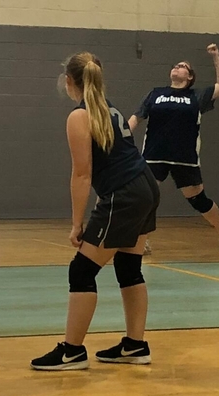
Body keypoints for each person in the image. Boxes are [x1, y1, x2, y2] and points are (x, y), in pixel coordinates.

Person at [30, 52, 160, 371]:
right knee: (129, 267)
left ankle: (72, 351)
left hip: (125, 194)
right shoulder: (110, 108)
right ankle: (134, 345)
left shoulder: (80, 116)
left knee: (82, 271)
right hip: (145, 187)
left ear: (69, 81)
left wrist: (77, 223)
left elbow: (82, 174)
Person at [128, 44, 219, 255]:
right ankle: (143, 239)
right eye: (175, 65)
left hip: (184, 158)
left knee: (198, 201)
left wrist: (216, 57)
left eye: (182, 66)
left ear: (189, 77)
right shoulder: (155, 94)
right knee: (146, 197)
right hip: (154, 155)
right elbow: (136, 117)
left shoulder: (196, 97)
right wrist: (122, 138)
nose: (177, 67)